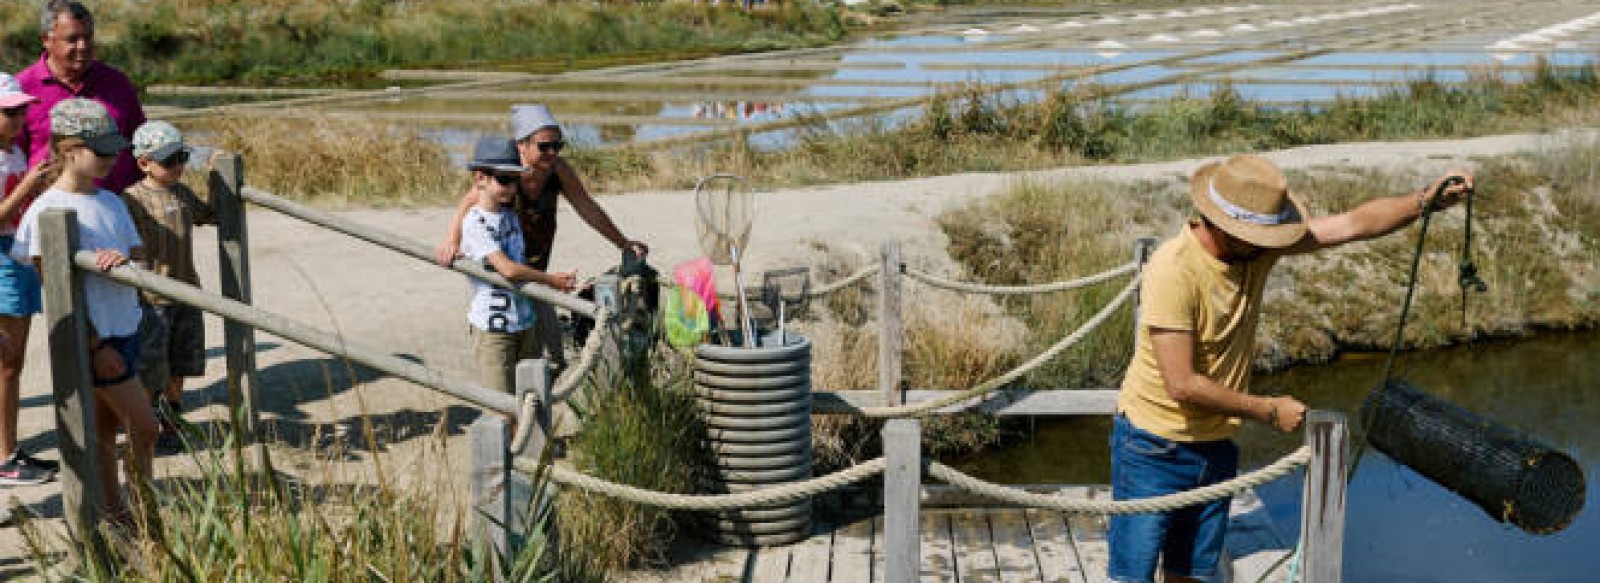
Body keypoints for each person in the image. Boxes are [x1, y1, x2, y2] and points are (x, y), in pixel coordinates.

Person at [1108, 154, 1474, 583]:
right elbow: (1182, 384)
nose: (1269, 242)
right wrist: (1266, 410)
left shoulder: (1254, 251)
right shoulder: (1173, 271)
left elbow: (1352, 224)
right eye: (1258, 233)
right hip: (1153, 447)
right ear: (1225, 228)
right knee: (1132, 576)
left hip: (1215, 446)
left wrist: (1425, 201)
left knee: (1191, 573)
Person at [12, 98, 157, 526]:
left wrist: (123, 262)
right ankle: (146, 514)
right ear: (67, 147)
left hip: (125, 326)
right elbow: (54, 287)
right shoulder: (45, 212)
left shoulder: (110, 201)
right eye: (102, 150)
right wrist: (94, 345)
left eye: (116, 148)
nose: (113, 158)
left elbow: (138, 259)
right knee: (146, 427)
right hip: (93, 339)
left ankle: (116, 515)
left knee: (106, 432)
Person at [436, 104, 647, 365]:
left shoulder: (558, 171)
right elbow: (470, 201)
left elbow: (586, 206)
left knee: (549, 356)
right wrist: (451, 240)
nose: (552, 153)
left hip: (536, 269)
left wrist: (623, 243)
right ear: (521, 145)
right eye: (544, 146)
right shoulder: (507, 172)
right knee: (523, 350)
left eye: (557, 146)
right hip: (509, 271)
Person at [457, 136, 577, 394]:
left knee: (532, 395)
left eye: (515, 180)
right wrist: (552, 280)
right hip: (494, 327)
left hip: (524, 321)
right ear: (481, 179)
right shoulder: (475, 223)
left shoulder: (510, 217)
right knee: (503, 405)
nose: (512, 187)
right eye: (503, 179)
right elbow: (508, 269)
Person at [122, 120, 214, 450]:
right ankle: (147, 423)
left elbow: (212, 215)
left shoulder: (183, 193)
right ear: (144, 162)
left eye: (182, 157)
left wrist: (216, 179)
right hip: (151, 298)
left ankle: (172, 420)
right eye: (169, 160)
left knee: (181, 362)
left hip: (187, 291)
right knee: (151, 367)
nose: (178, 166)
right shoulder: (130, 199)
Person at [17, 0, 147, 194]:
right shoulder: (22, 89)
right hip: (52, 212)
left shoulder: (116, 82)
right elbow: (11, 158)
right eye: (72, 39)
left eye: (88, 37)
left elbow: (142, 143)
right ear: (46, 40)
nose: (83, 46)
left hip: (117, 206)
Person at [0, 72, 55, 486]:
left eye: (22, 111)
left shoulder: (13, 152)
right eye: (9, 112)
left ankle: (9, 448)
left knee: (13, 362)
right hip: (3, 256)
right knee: (6, 363)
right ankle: (5, 456)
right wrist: (29, 188)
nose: (19, 119)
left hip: (16, 254)